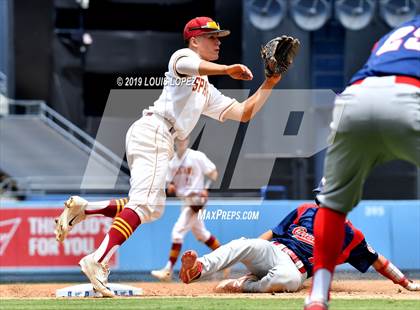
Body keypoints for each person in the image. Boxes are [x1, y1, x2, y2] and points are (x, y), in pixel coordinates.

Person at [55, 16, 285, 297]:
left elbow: (244, 113)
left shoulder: (206, 89)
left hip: (160, 136)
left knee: (152, 209)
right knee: (144, 203)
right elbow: (191, 65)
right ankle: (97, 259)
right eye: (211, 37)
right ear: (194, 40)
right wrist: (227, 69)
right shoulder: (183, 56)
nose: (217, 42)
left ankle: (85, 209)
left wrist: (270, 82)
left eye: (219, 38)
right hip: (154, 130)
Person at [305, 16, 420, 310]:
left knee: (331, 205)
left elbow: (377, 52)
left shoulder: (399, 30)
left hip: (355, 97)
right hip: (409, 95)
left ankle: (317, 296)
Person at [179, 202, 420, 294]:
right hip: (274, 250)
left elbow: (378, 260)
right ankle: (199, 268)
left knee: (287, 280)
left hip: (296, 268)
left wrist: (406, 283)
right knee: (243, 243)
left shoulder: (351, 236)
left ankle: (242, 285)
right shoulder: (306, 210)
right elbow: (273, 233)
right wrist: (255, 249)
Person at [151, 136, 222, 281]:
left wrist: (207, 188)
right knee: (202, 234)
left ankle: (167, 270)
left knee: (177, 232)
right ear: (174, 141)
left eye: (184, 139)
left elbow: (214, 172)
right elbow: (169, 183)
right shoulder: (172, 162)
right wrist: (170, 186)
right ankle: (226, 259)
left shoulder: (196, 156)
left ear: (188, 140)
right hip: (185, 200)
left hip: (196, 199)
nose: (181, 141)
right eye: (178, 139)